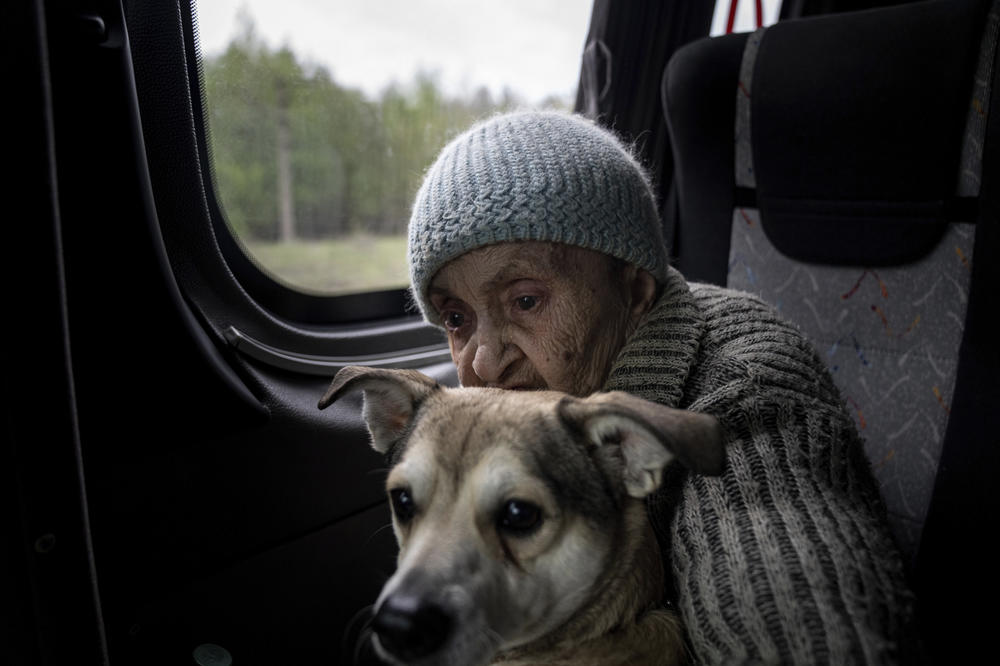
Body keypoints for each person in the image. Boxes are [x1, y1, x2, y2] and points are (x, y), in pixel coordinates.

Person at [406, 110, 913, 664]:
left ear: (636, 290)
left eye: (525, 301)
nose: (481, 362)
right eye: (456, 319)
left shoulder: (745, 389)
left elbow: (789, 610)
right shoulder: (544, 407)